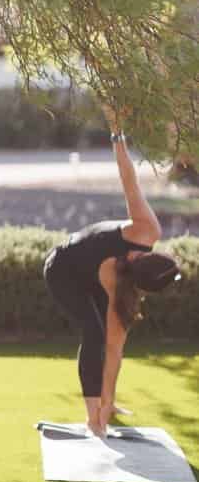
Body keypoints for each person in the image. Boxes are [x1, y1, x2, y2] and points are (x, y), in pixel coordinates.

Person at [43, 106, 180, 437]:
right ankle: (92, 416)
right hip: (60, 268)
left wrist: (110, 400)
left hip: (87, 276)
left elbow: (116, 351)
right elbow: (128, 179)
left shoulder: (122, 294)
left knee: (104, 335)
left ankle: (100, 408)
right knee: (93, 331)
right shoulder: (146, 228)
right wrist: (117, 132)